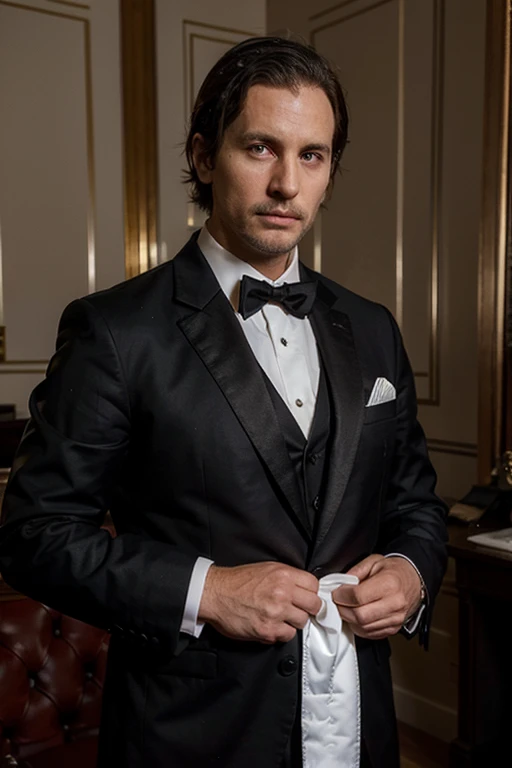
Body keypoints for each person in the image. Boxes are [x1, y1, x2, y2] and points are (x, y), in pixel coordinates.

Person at [0, 37, 447, 768]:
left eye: (312, 155)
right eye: (261, 148)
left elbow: (417, 504)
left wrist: (412, 571)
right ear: (206, 159)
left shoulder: (372, 327)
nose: (286, 184)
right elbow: (35, 535)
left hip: (357, 728)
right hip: (193, 733)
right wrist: (206, 592)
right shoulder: (115, 331)